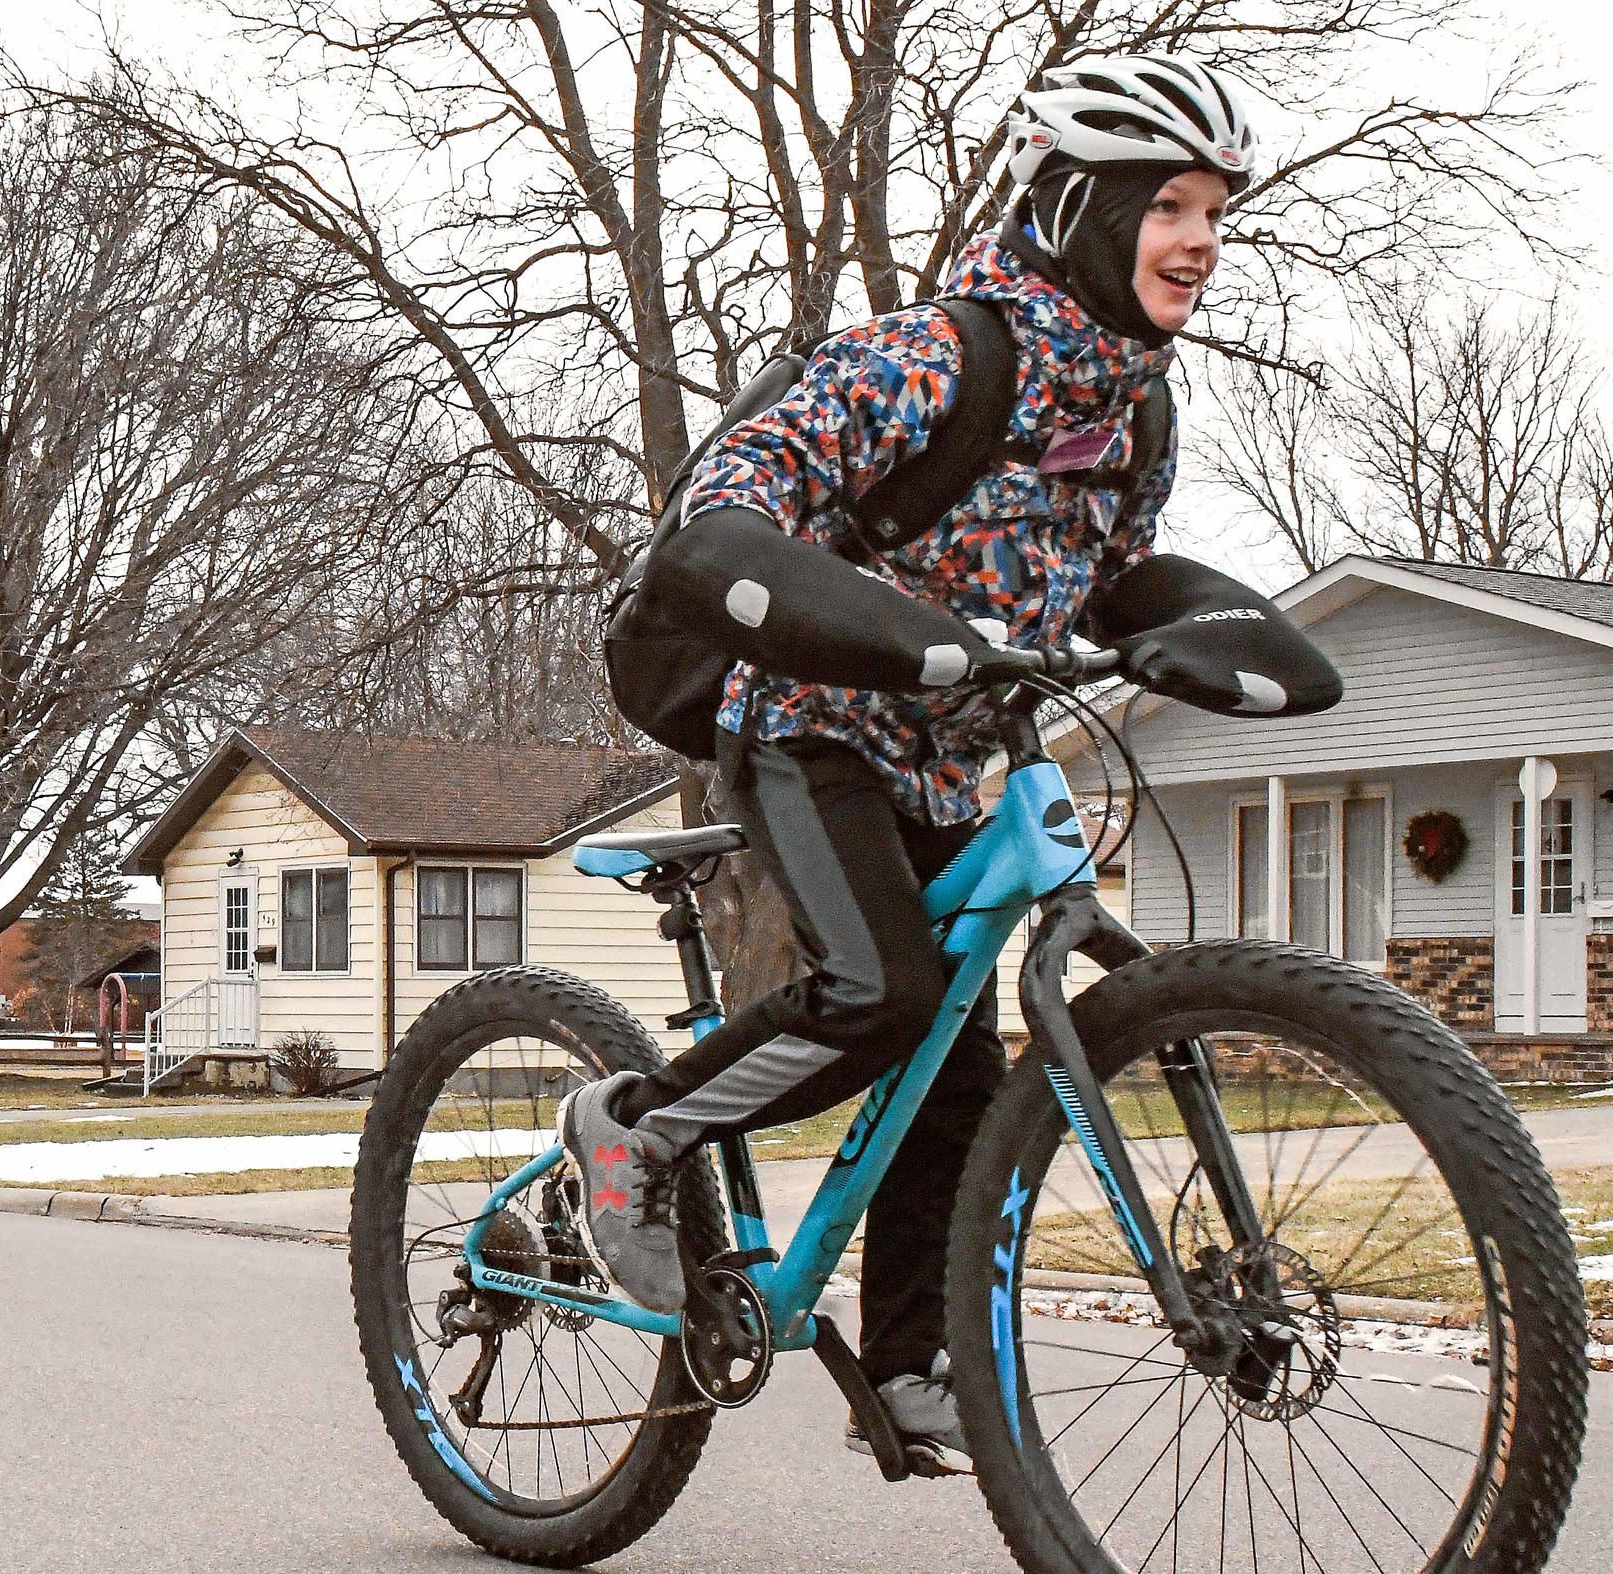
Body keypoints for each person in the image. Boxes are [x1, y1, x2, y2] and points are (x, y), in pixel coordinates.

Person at [561, 52, 1343, 1469]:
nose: (1201, 239)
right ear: (1076, 211)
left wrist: (1188, 630)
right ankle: (632, 1128)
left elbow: (1100, 576)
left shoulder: (1135, 412)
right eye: (1167, 204)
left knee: (956, 1067)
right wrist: (892, 628)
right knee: (883, 993)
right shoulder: (931, 356)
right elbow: (730, 505)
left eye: (1215, 210)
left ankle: (912, 1366)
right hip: (810, 723)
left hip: (947, 761)